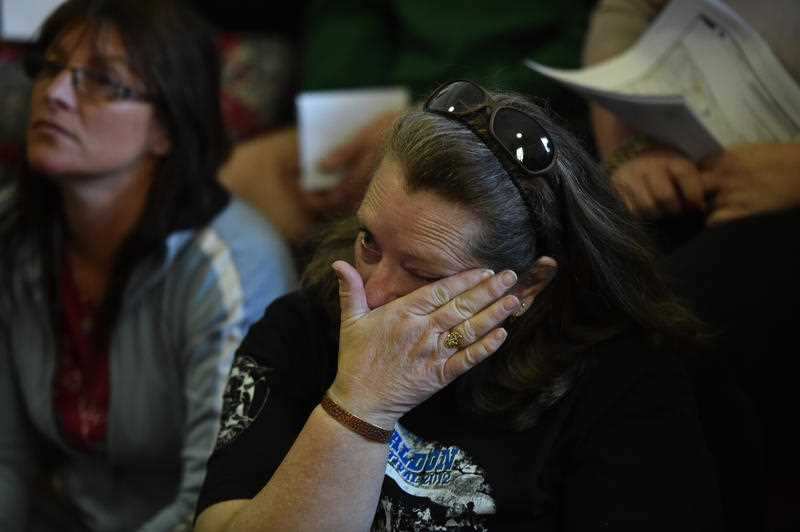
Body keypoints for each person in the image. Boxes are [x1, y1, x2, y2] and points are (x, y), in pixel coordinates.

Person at [193, 81, 758, 531]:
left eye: (424, 273)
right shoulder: (304, 326)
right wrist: (360, 405)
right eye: (370, 242)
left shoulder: (622, 382)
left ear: (528, 286)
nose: (376, 293)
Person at [0, 0, 296, 530]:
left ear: (167, 127)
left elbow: (213, 503)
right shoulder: (15, 232)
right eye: (50, 67)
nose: (55, 94)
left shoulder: (230, 267)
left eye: (102, 81)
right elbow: (5, 461)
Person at [583, 2, 800, 529]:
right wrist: (633, 150)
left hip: (778, 198)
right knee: (575, 285)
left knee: (678, 326)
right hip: (689, 167)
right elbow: (625, 10)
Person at [219, 1, 596, 245]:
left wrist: (435, 113)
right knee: (231, 183)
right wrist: (333, 135)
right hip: (378, 114)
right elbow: (348, 18)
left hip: (503, 118)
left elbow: (581, 50)